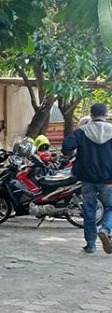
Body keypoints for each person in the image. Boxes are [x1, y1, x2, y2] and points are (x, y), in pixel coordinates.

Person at [63, 103, 112, 254]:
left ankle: (91, 244)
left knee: (89, 210)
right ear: (106, 115)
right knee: (110, 207)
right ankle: (105, 229)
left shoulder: (82, 131)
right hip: (108, 179)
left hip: (87, 178)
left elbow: (66, 146)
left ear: (91, 116)